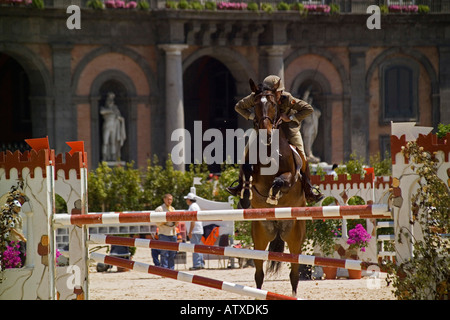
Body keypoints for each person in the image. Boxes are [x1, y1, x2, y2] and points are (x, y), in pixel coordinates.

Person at [227, 75, 324, 203]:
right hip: (262, 128)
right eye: (276, 92)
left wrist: (291, 118)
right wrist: (252, 117)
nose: (278, 94)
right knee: (246, 153)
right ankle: (240, 185)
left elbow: (308, 108)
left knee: (302, 154)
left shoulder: (287, 98)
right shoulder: (257, 97)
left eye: (278, 92)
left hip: (288, 129)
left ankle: (308, 189)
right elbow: (239, 107)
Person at [154, 194, 178, 269]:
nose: (169, 201)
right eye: (168, 199)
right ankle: (164, 270)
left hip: (173, 233)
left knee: (172, 254)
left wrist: (176, 221)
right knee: (164, 253)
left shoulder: (173, 209)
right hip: (164, 233)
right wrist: (166, 219)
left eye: (171, 199)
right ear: (164, 199)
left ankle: (171, 270)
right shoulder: (159, 209)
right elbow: (156, 222)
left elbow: (176, 223)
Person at [184, 192, 205, 270]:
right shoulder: (196, 206)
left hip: (195, 230)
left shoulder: (192, 207)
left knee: (195, 247)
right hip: (199, 229)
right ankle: (201, 264)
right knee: (198, 247)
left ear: (189, 200)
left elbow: (193, 221)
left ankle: (197, 264)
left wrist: (190, 231)